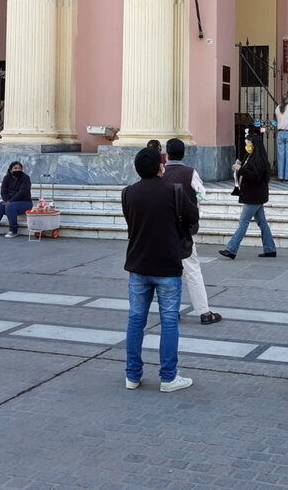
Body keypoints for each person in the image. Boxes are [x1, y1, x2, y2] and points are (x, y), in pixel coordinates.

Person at [122, 146, 197, 392]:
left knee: (135, 320)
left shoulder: (128, 193)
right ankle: (168, 377)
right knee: (168, 321)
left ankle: (132, 375)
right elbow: (192, 217)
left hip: (138, 264)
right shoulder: (173, 192)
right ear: (159, 167)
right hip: (167, 265)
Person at [162, 138, 222, 325]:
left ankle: (171, 311)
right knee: (193, 270)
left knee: (168, 273)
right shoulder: (189, 172)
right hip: (183, 231)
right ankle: (204, 312)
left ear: (167, 155)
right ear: (183, 154)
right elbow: (202, 193)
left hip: (164, 230)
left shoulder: (161, 173)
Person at [218, 133, 276, 260]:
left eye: (249, 143)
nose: (247, 145)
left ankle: (231, 249)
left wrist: (241, 169)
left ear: (255, 145)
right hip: (254, 195)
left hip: (254, 196)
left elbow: (256, 176)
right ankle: (270, 249)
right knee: (262, 223)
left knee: (243, 222)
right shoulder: (250, 156)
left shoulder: (259, 159)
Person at [0, 161, 33, 238]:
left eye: (19, 168)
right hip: (10, 201)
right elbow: (3, 192)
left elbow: (22, 193)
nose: (17, 170)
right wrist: (7, 201)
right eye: (15, 168)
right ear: (10, 170)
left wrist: (10, 202)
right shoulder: (6, 178)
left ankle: (13, 230)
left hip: (25, 202)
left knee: (10, 206)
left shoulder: (25, 178)